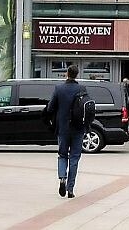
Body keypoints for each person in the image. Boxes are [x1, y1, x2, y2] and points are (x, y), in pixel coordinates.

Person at [46, 65, 87, 198]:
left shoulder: (59, 88)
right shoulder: (82, 89)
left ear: (67, 73)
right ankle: (70, 189)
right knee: (74, 158)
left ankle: (62, 177)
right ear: (77, 74)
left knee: (62, 155)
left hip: (63, 128)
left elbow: (50, 107)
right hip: (78, 128)